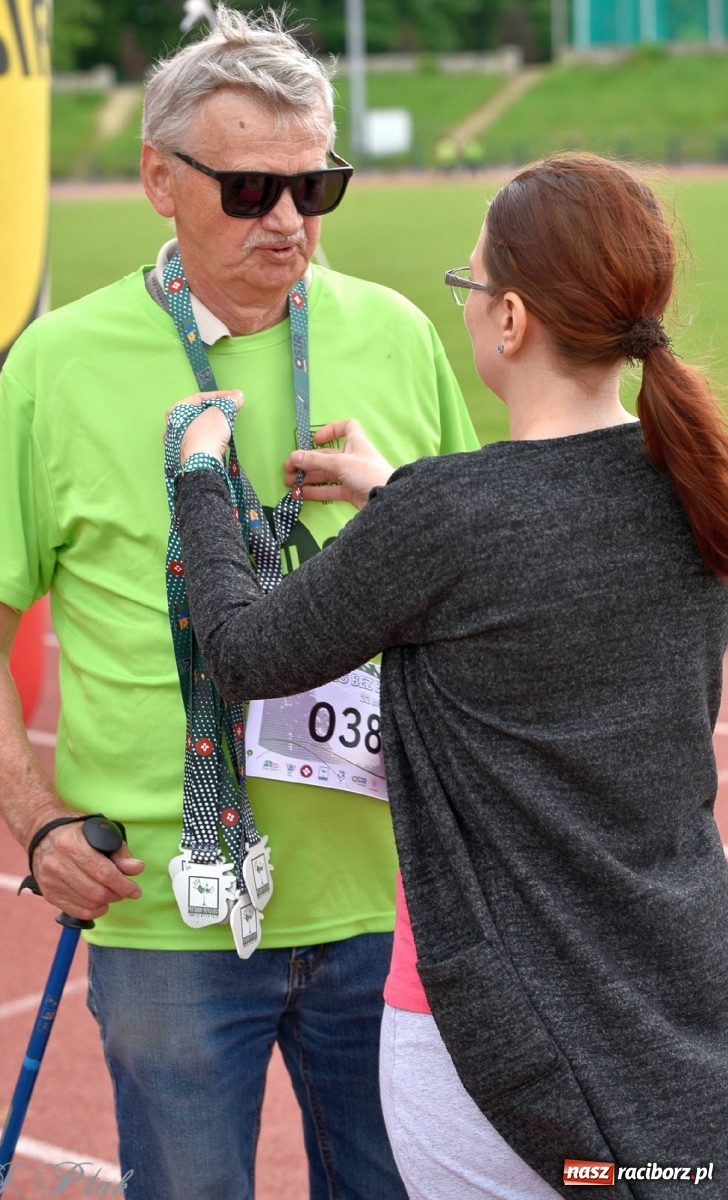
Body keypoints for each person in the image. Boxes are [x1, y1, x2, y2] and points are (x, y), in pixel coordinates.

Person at [0, 8, 477, 1200]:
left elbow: (479, 593)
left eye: (313, 186)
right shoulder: (59, 363)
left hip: (384, 901)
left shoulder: (392, 333)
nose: (288, 221)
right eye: (248, 190)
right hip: (164, 918)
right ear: (159, 182)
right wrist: (33, 821)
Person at [168, 152, 728, 1199]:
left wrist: (201, 472)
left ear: (510, 321)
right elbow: (539, 581)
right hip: (676, 997)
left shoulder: (451, 515)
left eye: (470, 285)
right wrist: (398, 498)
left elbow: (244, 652)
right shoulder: (691, 486)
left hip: (490, 1037)